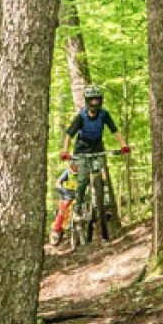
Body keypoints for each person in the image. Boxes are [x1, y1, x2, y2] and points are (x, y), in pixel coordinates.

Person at [59, 85, 130, 241]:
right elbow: (69, 135)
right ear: (87, 101)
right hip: (82, 149)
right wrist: (65, 151)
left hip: (98, 147)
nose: (95, 102)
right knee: (83, 178)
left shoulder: (104, 115)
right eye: (92, 99)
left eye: (97, 99)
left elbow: (115, 131)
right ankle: (77, 209)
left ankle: (103, 204)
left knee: (100, 174)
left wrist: (123, 145)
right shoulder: (81, 117)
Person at [49, 161, 77, 246]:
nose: (75, 167)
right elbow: (58, 182)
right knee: (63, 210)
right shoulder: (67, 172)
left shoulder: (84, 171)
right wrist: (60, 189)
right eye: (73, 166)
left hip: (80, 194)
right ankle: (56, 229)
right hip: (67, 195)